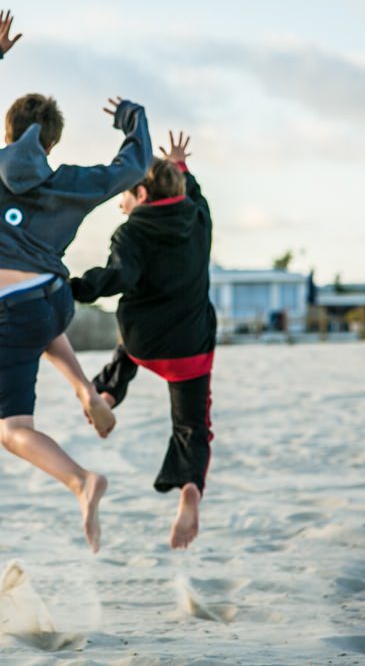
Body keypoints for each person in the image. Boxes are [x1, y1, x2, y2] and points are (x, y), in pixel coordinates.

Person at [0, 11, 153, 553]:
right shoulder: (69, 184)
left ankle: (82, 481)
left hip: (14, 310)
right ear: (50, 145)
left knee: (12, 432)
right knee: (43, 326)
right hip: (57, 305)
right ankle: (84, 388)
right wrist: (132, 118)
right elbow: (130, 168)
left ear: (7, 131)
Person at [70, 132, 215, 550]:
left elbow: (117, 279)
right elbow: (197, 195)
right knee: (193, 427)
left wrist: (72, 288)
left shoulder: (132, 232)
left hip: (143, 342)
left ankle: (108, 394)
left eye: (124, 193)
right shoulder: (199, 217)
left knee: (126, 351)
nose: (120, 202)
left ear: (141, 191)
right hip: (191, 349)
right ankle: (189, 491)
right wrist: (180, 166)